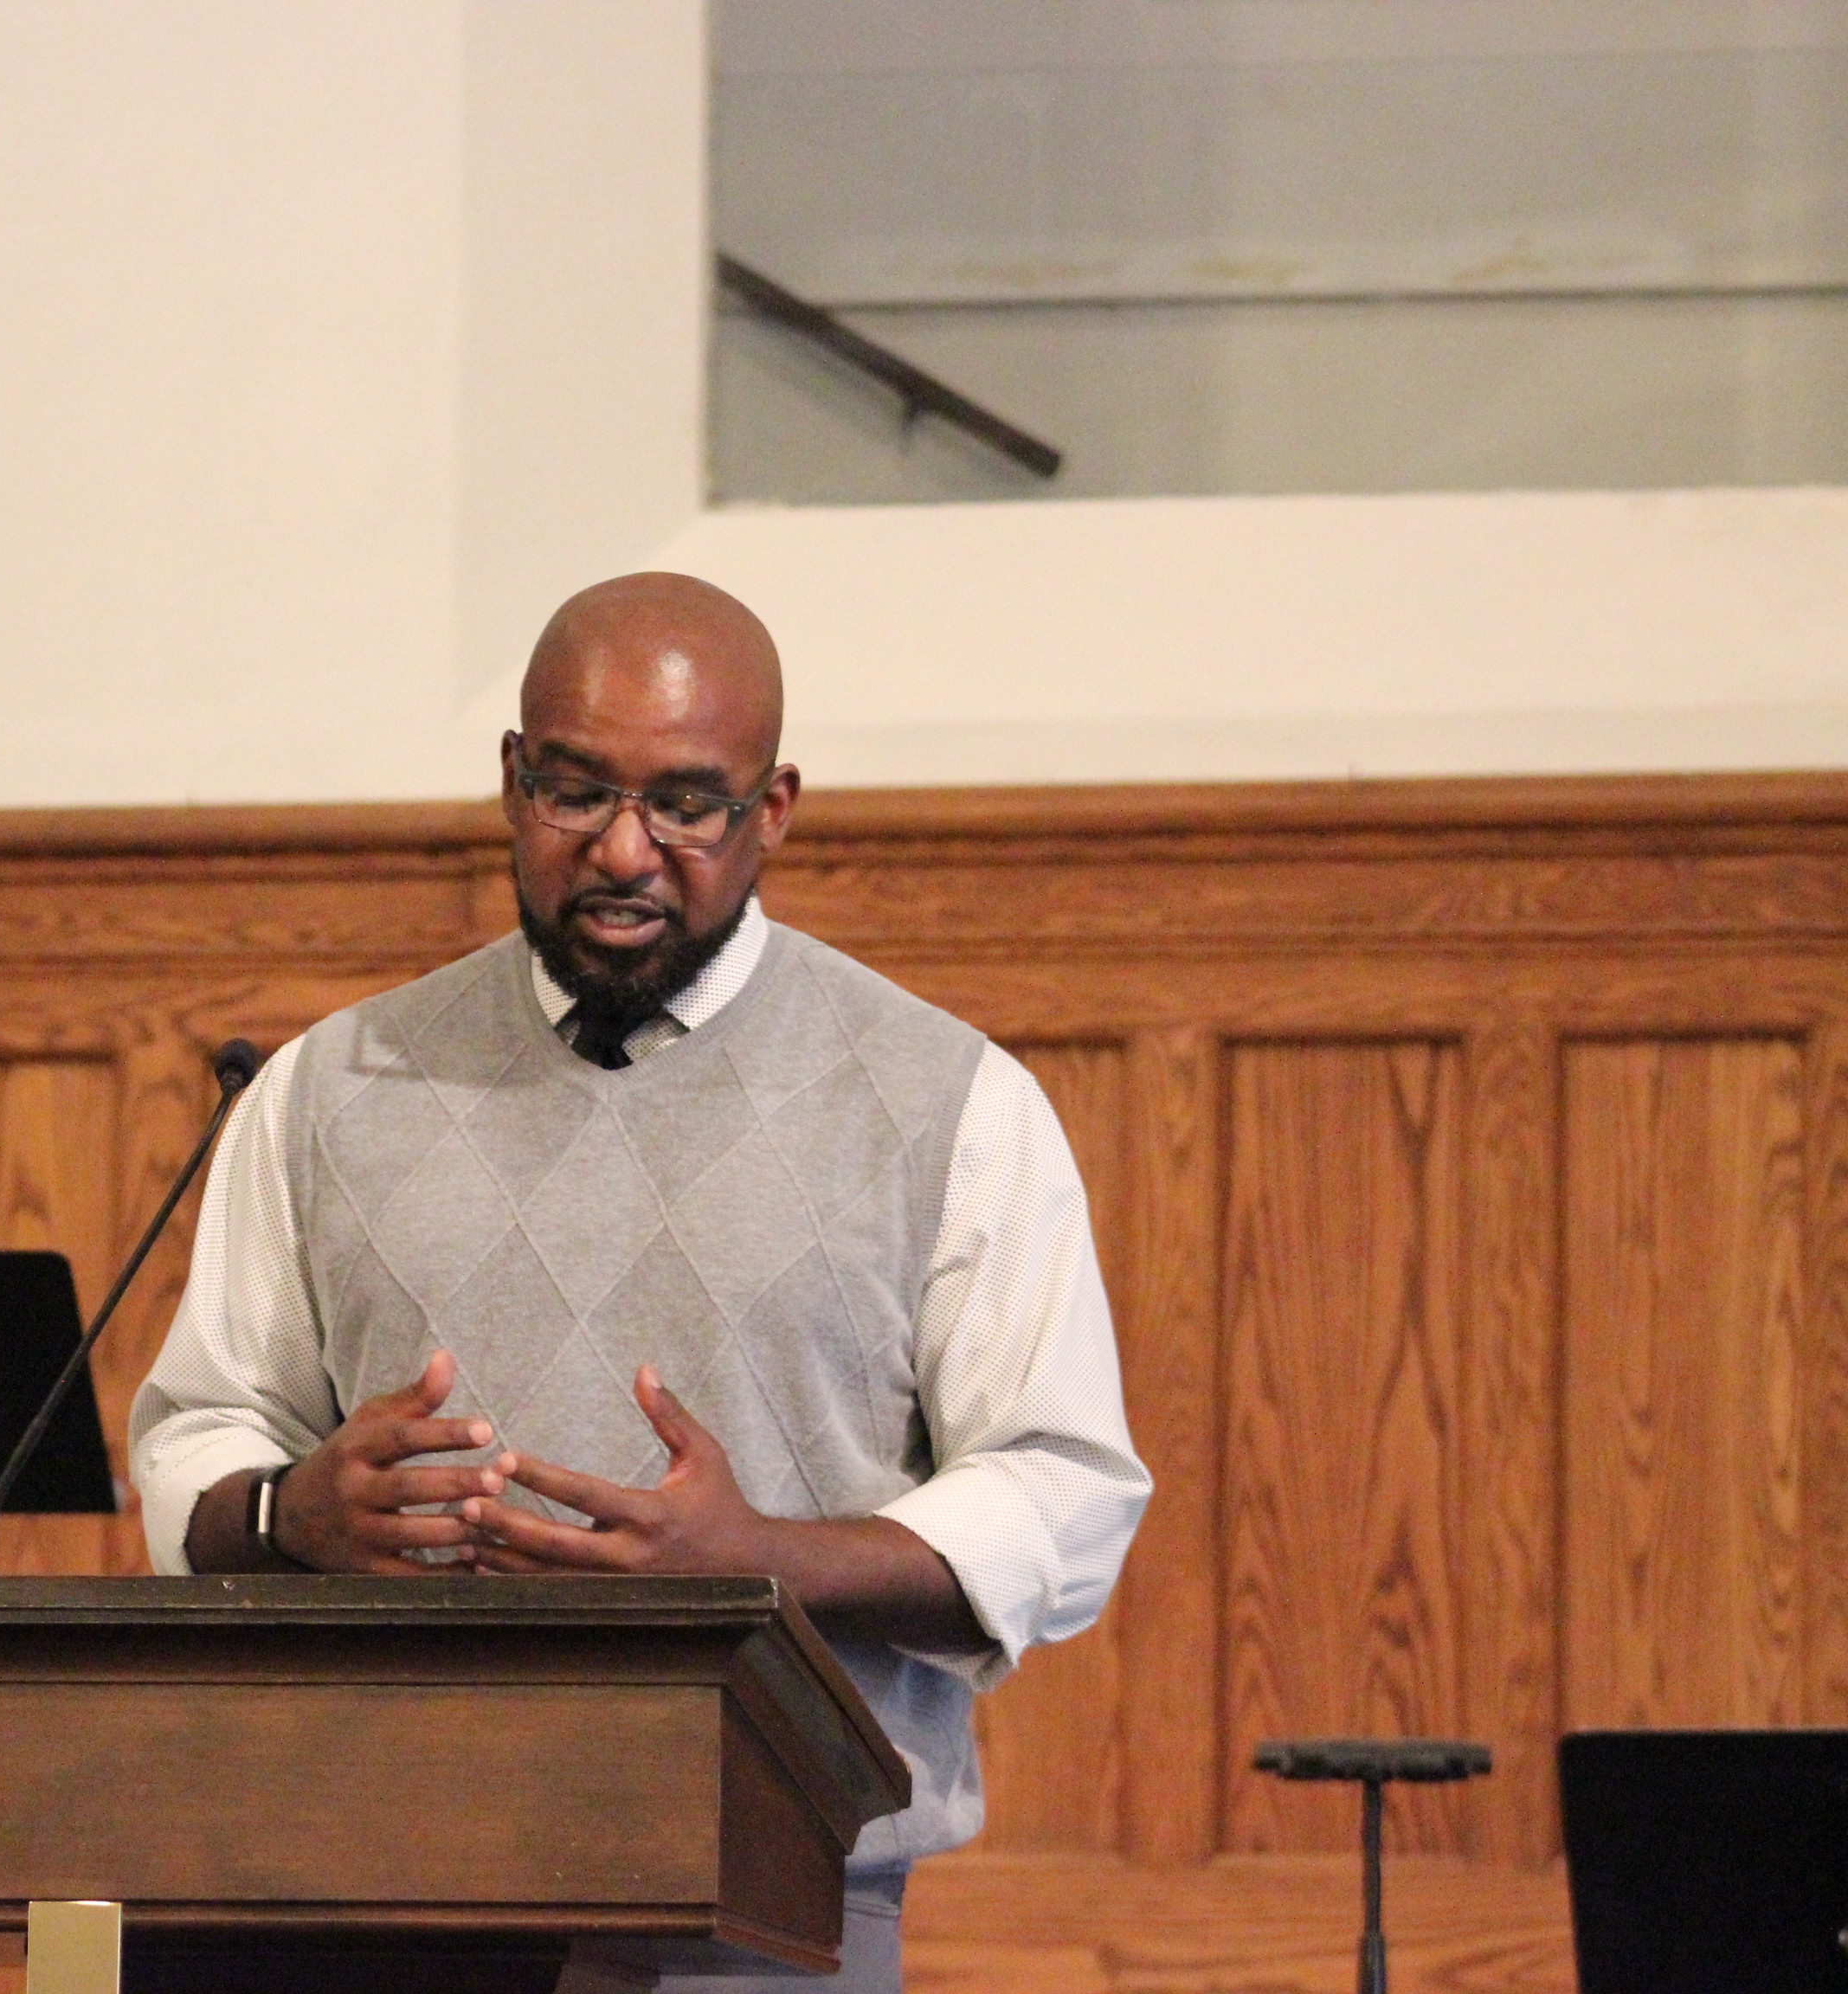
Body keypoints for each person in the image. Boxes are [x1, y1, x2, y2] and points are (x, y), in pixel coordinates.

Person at [127, 572, 1150, 1994]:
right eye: (574, 792)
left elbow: (1062, 1494)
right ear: (511, 780)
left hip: (769, 1902)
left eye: (686, 805)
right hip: (367, 1882)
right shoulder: (326, 1087)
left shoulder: (949, 1104)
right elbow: (201, 1429)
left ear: (772, 810)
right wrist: (287, 1513)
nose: (624, 851)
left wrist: (759, 1565)